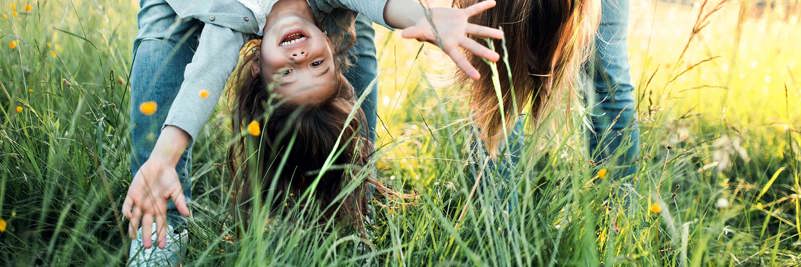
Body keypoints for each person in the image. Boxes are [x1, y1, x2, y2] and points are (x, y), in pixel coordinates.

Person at [124, 0, 502, 264]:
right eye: (318, 64)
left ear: (257, 66)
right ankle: (356, 206)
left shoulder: (230, 19)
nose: (299, 58)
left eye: (287, 73)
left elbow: (203, 82)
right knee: (356, 76)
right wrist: (428, 19)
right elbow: (381, 4)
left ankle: (157, 226)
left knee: (160, 49)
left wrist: (163, 157)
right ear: (333, 49)